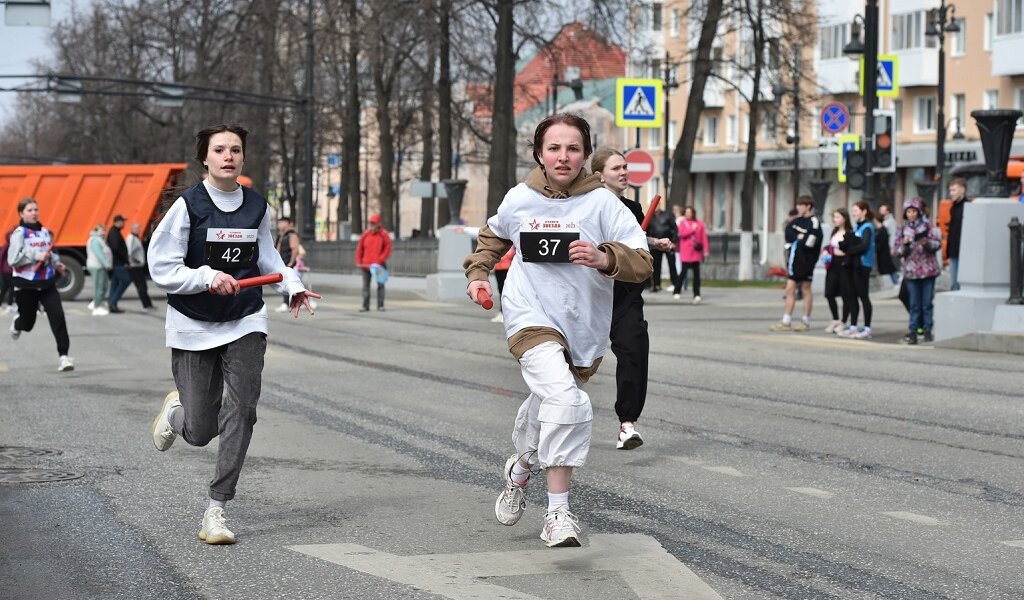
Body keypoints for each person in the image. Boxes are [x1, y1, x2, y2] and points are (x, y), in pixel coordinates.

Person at [463, 114, 652, 548]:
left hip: (582, 325)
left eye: (572, 148)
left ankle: (521, 466)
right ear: (539, 154)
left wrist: (605, 257)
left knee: (550, 398)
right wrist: (478, 274)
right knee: (568, 401)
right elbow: (492, 237)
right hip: (529, 316)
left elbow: (641, 261)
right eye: (554, 148)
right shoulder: (520, 197)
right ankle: (558, 513)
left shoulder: (605, 204)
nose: (563, 156)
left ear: (586, 154)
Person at [147, 124, 321, 545]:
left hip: (244, 318)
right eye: (220, 150)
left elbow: (268, 255)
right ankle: (178, 413)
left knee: (243, 409)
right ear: (204, 158)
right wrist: (207, 277)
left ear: (243, 158)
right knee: (201, 429)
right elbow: (162, 267)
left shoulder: (258, 206)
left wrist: (291, 285)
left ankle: (216, 510)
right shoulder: (188, 207)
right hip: (193, 324)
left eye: (236, 150)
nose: (229, 156)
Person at [592, 146, 672, 450]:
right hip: (590, 292)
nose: (624, 172)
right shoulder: (584, 206)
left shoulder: (634, 208)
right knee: (572, 358)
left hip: (624, 293)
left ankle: (627, 423)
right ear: (599, 175)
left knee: (634, 350)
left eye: (625, 167)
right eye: (616, 168)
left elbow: (632, 236)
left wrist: (654, 242)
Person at [6, 198, 74, 371]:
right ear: (21, 213)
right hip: (25, 285)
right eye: (29, 210)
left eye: (36, 209)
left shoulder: (44, 231)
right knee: (28, 324)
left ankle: (64, 357)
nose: (34, 213)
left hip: (47, 284)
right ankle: (18, 323)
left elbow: (49, 252)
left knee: (58, 317)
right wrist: (36, 255)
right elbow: (13, 259)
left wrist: (56, 263)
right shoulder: (19, 233)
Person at [895, 198, 942, 344]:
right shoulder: (903, 229)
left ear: (919, 212)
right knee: (914, 303)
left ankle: (928, 329)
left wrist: (926, 243)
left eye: (914, 211)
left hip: (928, 269)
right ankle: (913, 330)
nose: (911, 214)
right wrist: (905, 245)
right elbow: (897, 251)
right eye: (908, 212)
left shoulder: (927, 227)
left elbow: (937, 244)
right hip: (912, 271)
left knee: (926, 302)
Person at [771, 196, 821, 331]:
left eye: (801, 205)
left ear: (808, 206)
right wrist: (798, 238)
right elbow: (789, 233)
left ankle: (805, 321)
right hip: (794, 261)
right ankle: (786, 321)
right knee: (790, 289)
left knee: (805, 289)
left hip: (807, 261)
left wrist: (800, 239)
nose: (798, 208)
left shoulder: (814, 222)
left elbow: (811, 241)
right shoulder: (796, 221)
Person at [837, 201, 876, 339]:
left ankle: (867, 328)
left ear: (864, 211)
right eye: (852, 211)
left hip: (863, 265)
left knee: (863, 296)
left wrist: (848, 249)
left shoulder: (867, 227)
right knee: (852, 295)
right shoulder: (857, 227)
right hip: (853, 264)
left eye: (856, 210)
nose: (854, 213)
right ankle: (853, 325)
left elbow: (864, 246)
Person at [822, 208, 853, 334]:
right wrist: (825, 252)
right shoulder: (834, 231)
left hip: (844, 263)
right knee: (829, 292)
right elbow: (830, 246)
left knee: (846, 294)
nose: (835, 220)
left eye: (838, 217)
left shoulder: (849, 232)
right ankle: (835, 318)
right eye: (834, 217)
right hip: (833, 263)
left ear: (844, 218)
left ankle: (844, 321)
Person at [355, 213, 392, 312]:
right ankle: (365, 306)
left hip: (379, 265)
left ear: (378, 224)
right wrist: (358, 260)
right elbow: (360, 248)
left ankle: (380, 305)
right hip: (366, 265)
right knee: (365, 286)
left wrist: (381, 259)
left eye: (374, 224)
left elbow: (388, 247)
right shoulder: (365, 234)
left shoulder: (383, 234)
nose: (372, 226)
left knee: (380, 285)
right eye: (371, 223)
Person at [674, 206, 709, 304]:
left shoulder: (699, 223)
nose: (688, 214)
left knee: (696, 275)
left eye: (690, 212)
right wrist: (692, 230)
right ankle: (677, 291)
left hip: (696, 252)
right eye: (686, 212)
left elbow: (704, 237)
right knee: (683, 272)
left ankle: (697, 294)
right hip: (686, 252)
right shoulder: (682, 223)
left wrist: (706, 250)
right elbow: (682, 234)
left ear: (693, 213)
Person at [945, 178, 970, 291]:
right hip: (954, 249)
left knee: (959, 282)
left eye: (954, 190)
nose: (951, 193)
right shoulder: (953, 207)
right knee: (954, 281)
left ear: (962, 190)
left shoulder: (968, 206)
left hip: (963, 249)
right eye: (950, 190)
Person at [646, 204, 678, 292]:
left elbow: (675, 229)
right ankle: (656, 285)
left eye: (657, 205)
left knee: (672, 264)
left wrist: (674, 241)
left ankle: (675, 284)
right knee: (656, 264)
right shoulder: (650, 216)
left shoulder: (667, 215)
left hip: (668, 242)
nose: (656, 207)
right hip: (656, 244)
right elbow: (647, 230)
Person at [274, 216, 301, 312]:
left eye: (282, 222)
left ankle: (286, 303)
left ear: (288, 224)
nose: (280, 224)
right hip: (281, 263)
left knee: (288, 283)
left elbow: (295, 249)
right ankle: (291, 302)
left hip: (288, 263)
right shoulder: (281, 235)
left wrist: (291, 263)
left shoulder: (291, 235)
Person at [86, 223, 112, 316]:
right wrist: (106, 264)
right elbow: (99, 254)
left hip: (99, 266)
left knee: (103, 286)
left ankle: (95, 303)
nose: (104, 232)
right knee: (99, 287)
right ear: (96, 231)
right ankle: (96, 308)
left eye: (105, 230)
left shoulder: (99, 240)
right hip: (97, 266)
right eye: (102, 230)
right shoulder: (96, 240)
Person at [126, 222, 154, 310]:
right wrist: (132, 261)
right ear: (133, 228)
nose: (139, 229)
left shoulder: (135, 237)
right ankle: (146, 305)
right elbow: (129, 252)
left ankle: (148, 304)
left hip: (138, 266)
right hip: (134, 266)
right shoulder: (131, 238)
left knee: (143, 285)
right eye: (138, 228)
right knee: (141, 286)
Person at [106, 215, 131, 313]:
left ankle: (112, 305)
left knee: (115, 283)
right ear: (118, 222)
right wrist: (125, 260)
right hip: (118, 263)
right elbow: (116, 248)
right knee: (126, 280)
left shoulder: (115, 232)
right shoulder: (114, 233)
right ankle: (112, 302)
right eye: (123, 221)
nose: (124, 224)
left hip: (117, 262)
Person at [491, 246, 515, 323]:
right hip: (498, 268)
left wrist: (500, 256)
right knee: (500, 291)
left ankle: (505, 313)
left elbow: (511, 253)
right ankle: (502, 312)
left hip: (506, 268)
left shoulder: (511, 244)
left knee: (506, 291)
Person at [878, 203, 900, 286]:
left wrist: (892, 247)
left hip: (888, 246)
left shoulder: (890, 221)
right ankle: (895, 279)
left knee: (890, 264)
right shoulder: (884, 220)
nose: (880, 211)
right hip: (884, 246)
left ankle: (896, 280)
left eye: (882, 210)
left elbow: (893, 234)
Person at [0, 226, 16, 313]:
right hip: (8, 271)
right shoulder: (8, 245)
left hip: (8, 271)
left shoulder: (10, 245)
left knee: (6, 289)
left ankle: (8, 305)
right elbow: (1, 257)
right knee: (10, 288)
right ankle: (9, 305)